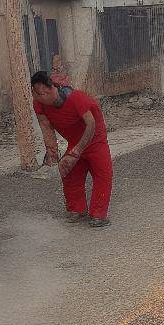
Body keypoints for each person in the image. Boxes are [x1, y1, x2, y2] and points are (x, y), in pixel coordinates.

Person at [31, 71, 113, 228]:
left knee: (103, 173)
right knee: (68, 171)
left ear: (44, 90)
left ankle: (98, 214)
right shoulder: (39, 103)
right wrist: (52, 151)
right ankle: (77, 209)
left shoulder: (76, 98)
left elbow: (91, 125)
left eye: (36, 94)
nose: (34, 98)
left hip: (95, 139)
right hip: (74, 140)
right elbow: (45, 125)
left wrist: (76, 152)